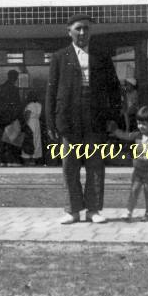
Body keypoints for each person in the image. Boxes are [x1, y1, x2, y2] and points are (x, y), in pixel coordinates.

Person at [46, 14, 122, 224]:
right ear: (68, 31)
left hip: (95, 118)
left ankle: (93, 210)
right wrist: (51, 122)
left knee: (95, 165)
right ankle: (72, 211)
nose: (82, 33)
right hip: (68, 119)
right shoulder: (59, 57)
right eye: (78, 28)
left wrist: (113, 116)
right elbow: (51, 92)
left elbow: (114, 89)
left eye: (86, 29)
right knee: (70, 165)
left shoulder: (101, 56)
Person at [108, 105, 148, 221]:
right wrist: (114, 130)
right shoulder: (137, 135)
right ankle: (129, 211)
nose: (140, 126)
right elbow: (125, 136)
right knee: (134, 190)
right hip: (138, 170)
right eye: (139, 123)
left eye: (144, 124)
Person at [0, 69, 23, 167]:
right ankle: (12, 161)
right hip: (12, 117)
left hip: (2, 117)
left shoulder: (0, 88)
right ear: (16, 78)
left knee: (3, 139)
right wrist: (18, 117)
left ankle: (2, 161)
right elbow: (17, 105)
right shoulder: (15, 89)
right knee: (12, 139)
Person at [21, 90, 43, 165]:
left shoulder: (30, 105)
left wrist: (24, 124)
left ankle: (27, 157)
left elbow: (27, 116)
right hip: (37, 123)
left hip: (30, 123)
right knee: (36, 140)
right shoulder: (39, 105)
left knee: (29, 139)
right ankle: (34, 158)